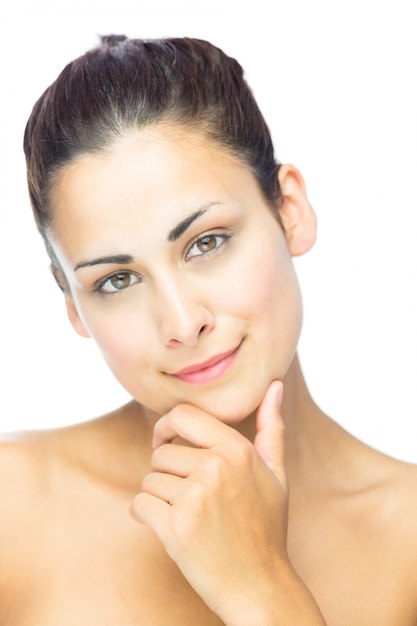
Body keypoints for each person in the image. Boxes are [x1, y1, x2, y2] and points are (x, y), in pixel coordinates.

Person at [1, 34, 416, 625]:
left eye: (207, 242)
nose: (182, 322)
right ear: (72, 305)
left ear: (289, 210)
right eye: (117, 280)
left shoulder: (409, 543)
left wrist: (262, 591)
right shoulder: (11, 508)